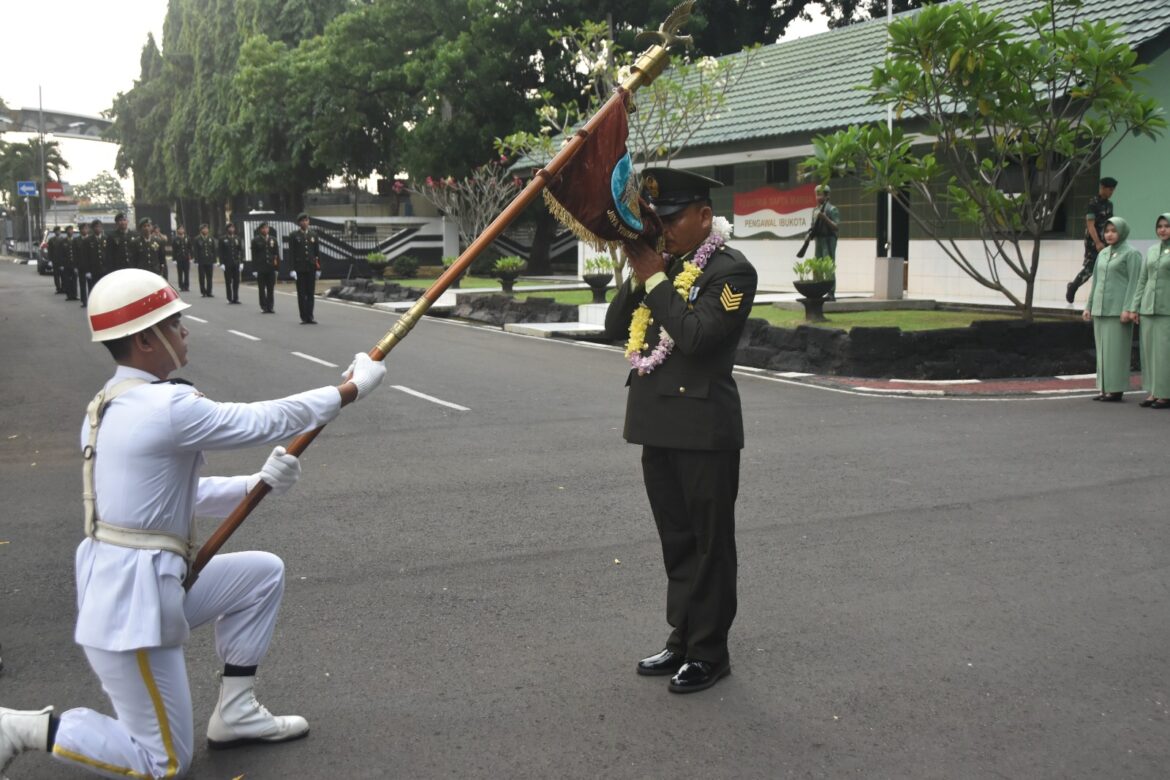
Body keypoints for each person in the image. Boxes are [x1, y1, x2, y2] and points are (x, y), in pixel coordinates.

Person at [0, 268, 386, 778]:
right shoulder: (165, 406)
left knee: (260, 574)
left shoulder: (109, 405)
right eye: (174, 324)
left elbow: (170, 500)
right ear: (144, 340)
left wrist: (252, 484)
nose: (185, 332)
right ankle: (22, 729)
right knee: (163, 762)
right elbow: (259, 420)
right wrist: (349, 390)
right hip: (130, 611)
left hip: (147, 585)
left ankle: (236, 711)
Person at [603, 167, 757, 694]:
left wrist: (655, 277)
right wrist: (642, 272)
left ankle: (711, 652)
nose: (662, 229)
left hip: (704, 428)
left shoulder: (732, 273)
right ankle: (683, 639)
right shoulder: (661, 267)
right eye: (656, 220)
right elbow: (612, 327)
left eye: (670, 219)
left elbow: (693, 339)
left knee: (711, 544)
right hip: (656, 424)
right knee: (677, 540)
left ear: (704, 216)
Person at [1082, 216, 1142, 401]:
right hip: (1101, 309)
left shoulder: (1131, 254)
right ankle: (1104, 388)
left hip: (1118, 311)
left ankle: (1115, 390)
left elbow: (1135, 282)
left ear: (1122, 232)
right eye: (1107, 231)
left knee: (1116, 351)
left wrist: (1129, 308)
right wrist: (1089, 306)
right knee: (1102, 351)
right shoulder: (1103, 254)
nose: (1109, 234)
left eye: (1113, 231)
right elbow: (1096, 282)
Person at [1123, 213, 1170, 408]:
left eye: (1167, 226)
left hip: (1167, 309)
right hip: (1148, 308)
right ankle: (1152, 391)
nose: (1163, 229)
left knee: (1164, 353)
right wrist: (1135, 307)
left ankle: (1165, 393)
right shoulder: (1151, 251)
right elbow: (1142, 280)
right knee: (1148, 352)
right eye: (1159, 226)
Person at [1066, 177, 1118, 304]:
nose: (1111, 192)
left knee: (1105, 268)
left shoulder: (1109, 205)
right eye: (1109, 189)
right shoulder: (1093, 203)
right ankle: (1073, 287)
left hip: (1106, 241)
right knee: (1090, 268)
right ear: (1103, 188)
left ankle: (1101, 298)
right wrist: (1097, 242)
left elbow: (1110, 224)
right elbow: (1090, 225)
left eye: (1113, 190)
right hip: (1093, 241)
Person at [287, 213, 321, 324]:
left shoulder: (313, 235)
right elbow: (291, 253)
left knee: (310, 293)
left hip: (311, 267)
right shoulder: (294, 235)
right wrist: (292, 269)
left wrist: (318, 268)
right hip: (299, 268)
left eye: (306, 220)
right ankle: (303, 316)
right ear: (299, 223)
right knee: (301, 294)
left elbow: (317, 253)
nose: (305, 222)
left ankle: (310, 316)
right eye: (302, 221)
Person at [810, 184, 840, 300]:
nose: (817, 197)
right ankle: (818, 291)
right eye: (816, 195)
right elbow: (812, 227)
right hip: (818, 240)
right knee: (817, 267)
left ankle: (830, 292)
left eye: (820, 194)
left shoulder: (832, 209)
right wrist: (809, 236)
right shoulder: (815, 211)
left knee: (828, 266)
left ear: (827, 196)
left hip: (829, 240)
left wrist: (825, 218)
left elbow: (836, 227)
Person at [251, 222, 280, 313]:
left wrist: (277, 268)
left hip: (271, 267)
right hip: (261, 268)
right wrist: (255, 269)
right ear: (260, 230)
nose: (265, 230)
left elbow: (276, 254)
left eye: (267, 228)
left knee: (270, 288)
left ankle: (270, 306)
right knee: (262, 288)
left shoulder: (273, 239)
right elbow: (254, 255)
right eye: (263, 228)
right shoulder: (256, 240)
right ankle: (263, 306)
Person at [219, 223, 245, 304]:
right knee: (228, 281)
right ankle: (229, 298)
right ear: (227, 229)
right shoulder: (223, 239)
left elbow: (241, 250)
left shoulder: (237, 238)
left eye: (233, 228)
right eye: (230, 228)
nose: (232, 229)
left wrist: (241, 262)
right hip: (227, 263)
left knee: (236, 281)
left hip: (236, 262)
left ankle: (236, 298)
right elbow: (220, 252)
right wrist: (222, 263)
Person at [193, 223, 217, 297]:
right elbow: (196, 251)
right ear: (201, 230)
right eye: (204, 229)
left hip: (209, 260)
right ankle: (203, 291)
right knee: (202, 277)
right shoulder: (197, 239)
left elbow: (214, 250)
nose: (206, 230)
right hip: (201, 260)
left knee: (209, 277)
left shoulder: (211, 238)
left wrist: (214, 260)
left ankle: (209, 291)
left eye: (206, 229)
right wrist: (196, 260)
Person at [74, 222, 91, 307]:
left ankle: (91, 301)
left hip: (91, 266)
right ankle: (84, 301)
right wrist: (75, 266)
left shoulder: (91, 239)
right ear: (80, 230)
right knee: (82, 284)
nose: (85, 230)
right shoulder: (76, 240)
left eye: (86, 228)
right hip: (81, 265)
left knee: (91, 284)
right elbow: (75, 254)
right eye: (83, 229)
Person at [60, 225, 79, 301]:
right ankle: (69, 295)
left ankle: (74, 295)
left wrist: (77, 264)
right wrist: (61, 264)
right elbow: (60, 254)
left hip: (74, 264)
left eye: (71, 230)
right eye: (68, 230)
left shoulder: (75, 240)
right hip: (66, 264)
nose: (70, 231)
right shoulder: (63, 242)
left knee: (74, 280)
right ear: (66, 232)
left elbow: (78, 252)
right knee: (67, 280)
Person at [172, 225, 193, 292]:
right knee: (180, 273)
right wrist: (174, 259)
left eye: (182, 229)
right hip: (179, 258)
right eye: (180, 229)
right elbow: (174, 250)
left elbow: (190, 248)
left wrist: (191, 257)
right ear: (177, 230)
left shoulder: (187, 238)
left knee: (186, 273)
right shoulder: (175, 239)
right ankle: (181, 286)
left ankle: (186, 286)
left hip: (186, 258)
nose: (181, 230)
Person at [48, 226, 65, 294]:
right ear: (54, 232)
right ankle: (58, 288)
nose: (58, 232)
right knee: (56, 275)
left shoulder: (63, 239)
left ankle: (64, 288)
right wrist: (50, 260)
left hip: (62, 260)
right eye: (56, 231)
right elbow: (50, 251)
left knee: (63, 275)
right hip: (55, 260)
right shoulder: (51, 240)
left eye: (59, 231)